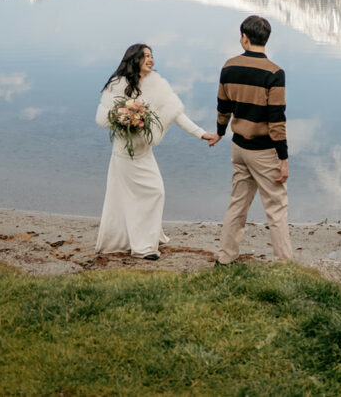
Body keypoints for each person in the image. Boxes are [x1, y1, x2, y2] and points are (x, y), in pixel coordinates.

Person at [95, 43, 216, 260]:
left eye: (152, 56)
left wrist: (201, 133)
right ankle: (142, 248)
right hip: (124, 154)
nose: (151, 60)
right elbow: (104, 116)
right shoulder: (118, 84)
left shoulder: (158, 84)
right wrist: (125, 120)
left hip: (144, 153)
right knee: (126, 198)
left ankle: (148, 236)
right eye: (146, 56)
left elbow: (176, 113)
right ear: (134, 59)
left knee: (155, 191)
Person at [210, 15, 292, 264]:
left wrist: (220, 132)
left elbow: (223, 107)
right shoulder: (275, 73)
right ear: (265, 39)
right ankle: (284, 263)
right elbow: (276, 119)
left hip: (238, 146)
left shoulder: (229, 66)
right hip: (264, 150)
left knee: (238, 203)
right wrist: (283, 158)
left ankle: (225, 257)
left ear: (244, 38)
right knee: (276, 206)